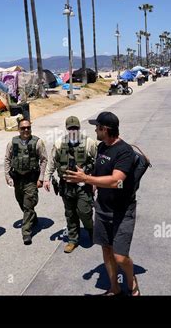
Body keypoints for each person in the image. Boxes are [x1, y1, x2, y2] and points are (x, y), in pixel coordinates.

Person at [64, 111, 140, 296]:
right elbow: (99, 173)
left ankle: (132, 284)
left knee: (120, 257)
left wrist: (86, 178)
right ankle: (114, 288)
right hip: (103, 209)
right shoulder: (102, 147)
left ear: (105, 129)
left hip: (122, 212)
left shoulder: (124, 151)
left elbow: (116, 181)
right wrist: (86, 177)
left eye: (97, 127)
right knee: (106, 249)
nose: (95, 130)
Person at [44, 116, 97, 253]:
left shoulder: (88, 143)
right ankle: (73, 239)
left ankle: (91, 230)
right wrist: (46, 178)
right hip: (66, 185)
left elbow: (98, 162)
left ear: (79, 128)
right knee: (70, 213)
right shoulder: (59, 143)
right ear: (67, 129)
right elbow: (52, 162)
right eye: (70, 128)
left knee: (84, 212)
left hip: (83, 185)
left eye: (76, 128)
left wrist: (94, 180)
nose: (73, 130)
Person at [4, 118, 48, 245]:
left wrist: (41, 178)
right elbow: (7, 159)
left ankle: (26, 232)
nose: (26, 130)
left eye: (28, 127)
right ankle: (33, 219)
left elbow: (44, 160)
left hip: (31, 179)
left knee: (28, 205)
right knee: (21, 202)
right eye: (23, 128)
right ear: (19, 129)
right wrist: (7, 176)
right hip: (18, 179)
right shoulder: (13, 143)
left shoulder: (38, 142)